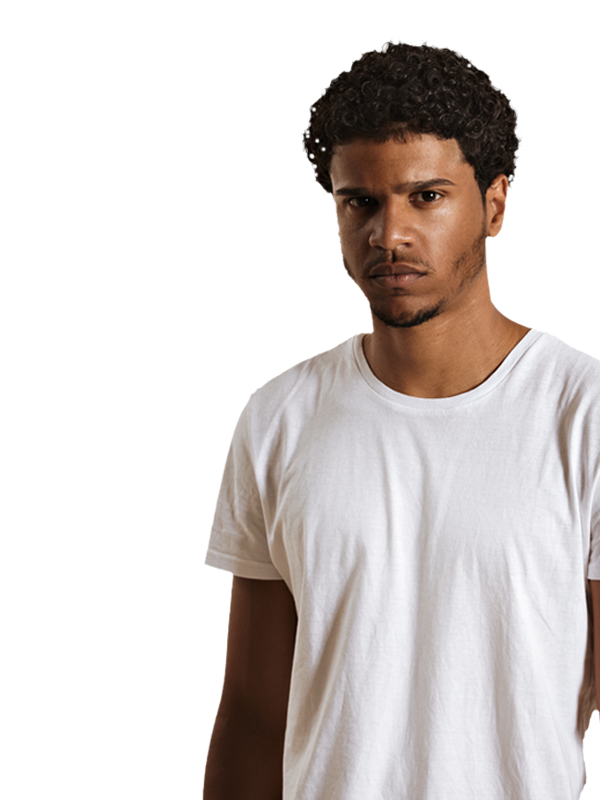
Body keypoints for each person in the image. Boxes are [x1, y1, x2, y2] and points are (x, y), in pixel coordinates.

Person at [203, 38, 600, 800]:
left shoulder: (579, 417)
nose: (389, 235)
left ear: (495, 204)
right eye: (361, 201)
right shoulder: (282, 420)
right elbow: (254, 716)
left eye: (426, 197)